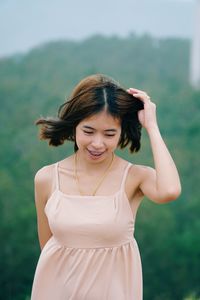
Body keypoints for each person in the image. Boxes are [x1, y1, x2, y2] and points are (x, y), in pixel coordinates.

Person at [30, 74, 181, 300]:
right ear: (74, 128)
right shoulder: (47, 178)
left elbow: (169, 190)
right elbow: (48, 248)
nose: (98, 144)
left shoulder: (133, 177)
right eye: (88, 131)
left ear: (121, 133)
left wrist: (152, 126)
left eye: (109, 134)